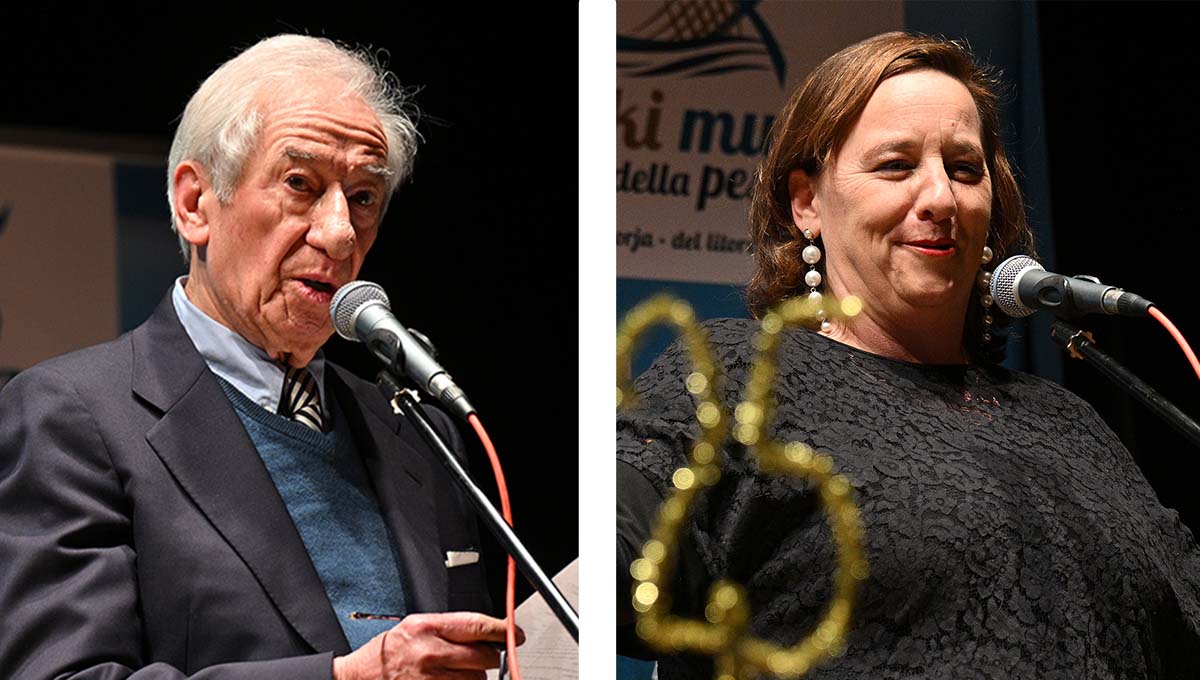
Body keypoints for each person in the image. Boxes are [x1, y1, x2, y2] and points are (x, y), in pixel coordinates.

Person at [617, 32, 1200, 678]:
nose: (942, 198)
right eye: (896, 165)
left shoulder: (1069, 422)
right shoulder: (740, 376)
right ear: (807, 203)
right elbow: (617, 562)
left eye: (965, 169)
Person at [0, 34, 517, 679]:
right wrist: (345, 678)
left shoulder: (418, 432)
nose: (340, 234)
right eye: (300, 184)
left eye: (363, 197)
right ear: (195, 204)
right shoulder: (71, 417)